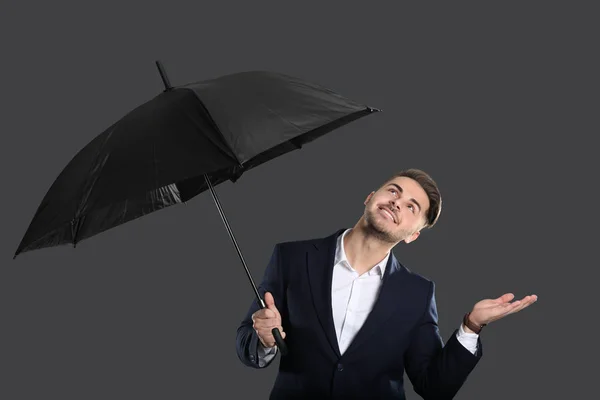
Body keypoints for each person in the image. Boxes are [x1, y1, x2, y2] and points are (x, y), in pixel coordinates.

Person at [235, 168, 537, 399]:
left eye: (411, 207)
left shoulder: (417, 293)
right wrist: (263, 339)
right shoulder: (291, 257)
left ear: (412, 235)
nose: (397, 203)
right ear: (370, 197)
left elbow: (434, 387)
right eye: (393, 191)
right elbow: (247, 343)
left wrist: (471, 326)